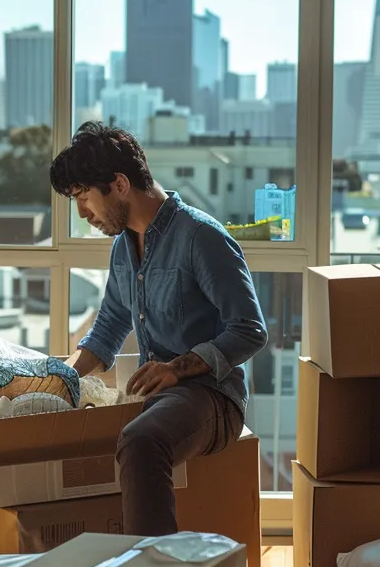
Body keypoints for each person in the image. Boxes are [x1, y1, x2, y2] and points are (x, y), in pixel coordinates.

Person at [51, 121, 267, 536]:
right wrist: (58, 378)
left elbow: (251, 329)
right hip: (158, 395)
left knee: (141, 441)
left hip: (211, 396)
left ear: (118, 184)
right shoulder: (123, 247)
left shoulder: (201, 237)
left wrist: (178, 368)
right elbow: (108, 328)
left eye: (83, 197)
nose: (81, 213)